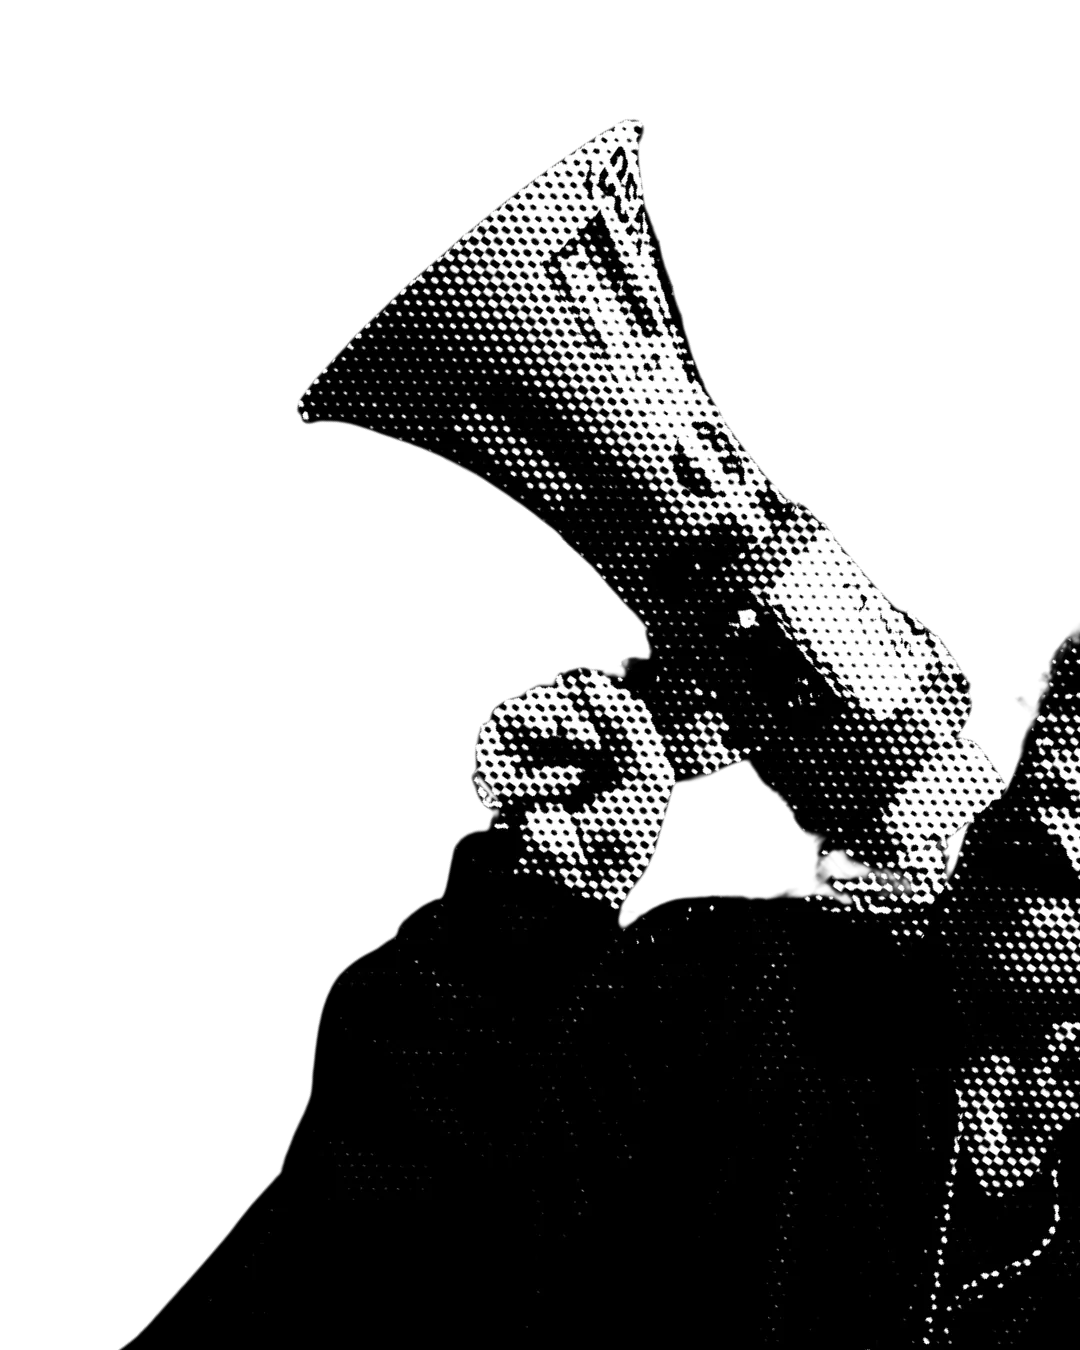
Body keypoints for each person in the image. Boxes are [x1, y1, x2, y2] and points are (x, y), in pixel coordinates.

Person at [269, 118, 1075, 1344]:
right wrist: (531, 918)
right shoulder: (741, 995)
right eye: (1061, 737)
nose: (1049, 783)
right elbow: (370, 1266)